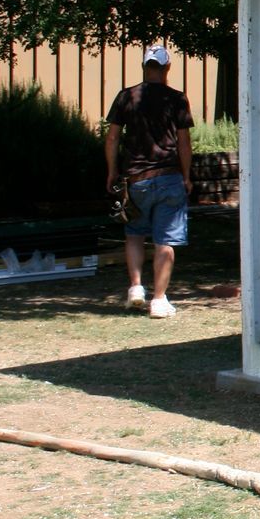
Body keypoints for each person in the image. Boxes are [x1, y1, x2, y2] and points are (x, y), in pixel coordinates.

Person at [105, 46, 195, 318]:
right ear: (167, 68)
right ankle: (158, 299)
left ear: (144, 66)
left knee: (134, 233)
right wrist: (187, 176)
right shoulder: (177, 99)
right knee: (165, 240)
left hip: (136, 178)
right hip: (168, 177)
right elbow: (184, 142)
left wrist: (112, 171)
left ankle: (135, 287)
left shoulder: (126, 96)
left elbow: (112, 138)